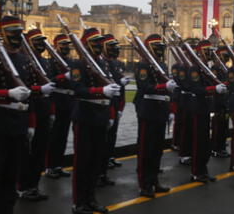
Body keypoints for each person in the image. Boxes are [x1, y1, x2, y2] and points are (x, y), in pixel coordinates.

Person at [0, 16, 54, 213]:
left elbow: (28, 92)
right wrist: (7, 94)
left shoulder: (23, 59)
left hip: (19, 124)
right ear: (3, 34)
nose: (17, 37)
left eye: (19, 33)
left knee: (11, 177)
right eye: (12, 33)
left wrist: (30, 123)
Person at [68, 27, 120, 214]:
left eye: (100, 42)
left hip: (100, 116)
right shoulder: (78, 64)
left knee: (95, 161)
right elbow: (77, 89)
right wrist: (99, 92)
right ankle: (79, 202)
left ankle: (91, 198)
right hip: (85, 115)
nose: (99, 45)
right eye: (95, 42)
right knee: (82, 161)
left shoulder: (102, 64)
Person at [133, 34, 174, 198]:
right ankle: (144, 184)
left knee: (157, 149)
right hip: (148, 110)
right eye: (157, 46)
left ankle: (154, 180)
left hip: (160, 111)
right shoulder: (144, 65)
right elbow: (144, 86)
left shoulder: (161, 65)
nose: (161, 49)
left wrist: (170, 110)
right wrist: (165, 85)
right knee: (146, 149)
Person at [17, 29, 56, 201]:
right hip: (31, 108)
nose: (41, 44)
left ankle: (33, 186)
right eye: (37, 41)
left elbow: (51, 88)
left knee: (40, 150)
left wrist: (52, 111)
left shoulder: (45, 62)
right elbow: (24, 88)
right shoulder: (26, 61)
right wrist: (39, 90)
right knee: (28, 153)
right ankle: (23, 187)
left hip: (44, 108)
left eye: (42, 40)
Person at [180, 62, 227, 183]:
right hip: (198, 110)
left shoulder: (206, 70)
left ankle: (203, 170)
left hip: (206, 109)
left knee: (206, 144)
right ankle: (196, 172)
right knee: (198, 142)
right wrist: (213, 88)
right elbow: (196, 89)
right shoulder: (194, 69)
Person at [97, 34, 130, 187]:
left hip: (115, 103)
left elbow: (119, 89)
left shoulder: (115, 63)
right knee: (102, 139)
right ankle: (100, 169)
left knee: (112, 135)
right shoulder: (102, 64)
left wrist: (120, 107)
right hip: (105, 105)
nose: (114, 50)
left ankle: (108, 159)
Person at [45, 34, 75, 179]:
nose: (66, 47)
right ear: (55, 46)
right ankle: (50, 166)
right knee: (54, 136)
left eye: (67, 45)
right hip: (57, 100)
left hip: (68, 101)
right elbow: (49, 80)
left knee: (63, 136)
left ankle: (58, 165)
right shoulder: (51, 62)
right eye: (62, 45)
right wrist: (63, 77)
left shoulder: (70, 61)